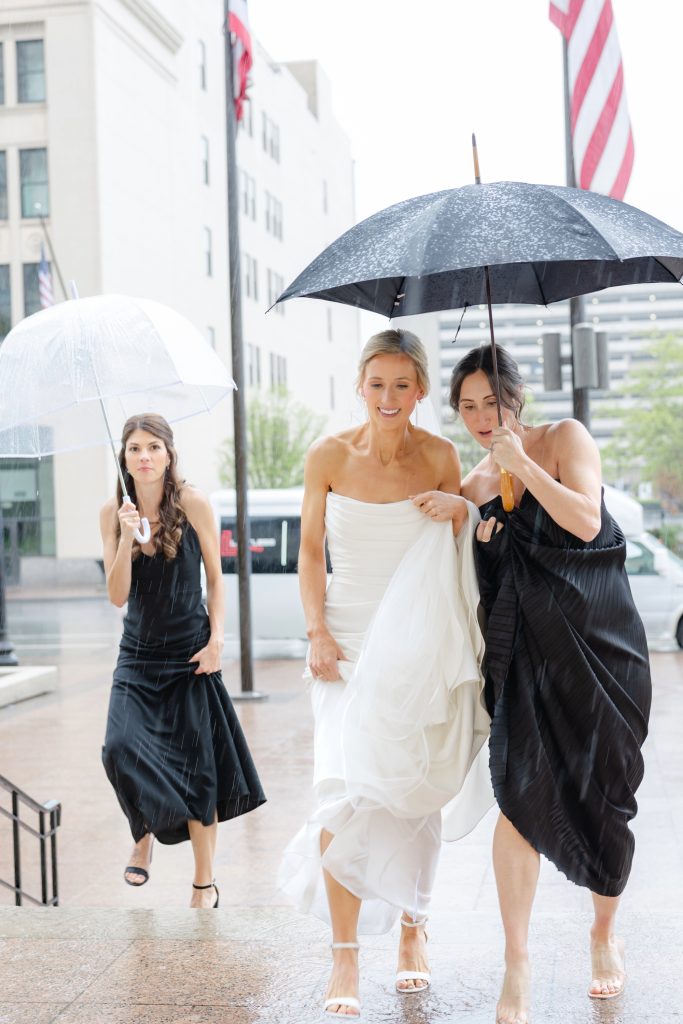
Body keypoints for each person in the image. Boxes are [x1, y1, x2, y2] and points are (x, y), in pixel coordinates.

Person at [279, 329, 493, 1019]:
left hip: (416, 646)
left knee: (410, 792)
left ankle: (412, 929)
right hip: (342, 642)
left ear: (422, 390)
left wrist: (461, 508)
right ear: (359, 387)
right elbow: (310, 553)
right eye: (377, 384)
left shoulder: (439, 454)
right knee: (340, 791)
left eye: (403, 384)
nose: (389, 397)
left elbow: (461, 552)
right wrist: (315, 631)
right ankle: (343, 955)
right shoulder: (326, 455)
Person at [451, 345, 652, 1024]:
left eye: (492, 402)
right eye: (467, 406)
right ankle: (516, 961)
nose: (482, 417)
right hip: (528, 658)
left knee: (607, 791)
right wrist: (470, 529)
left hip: (601, 644)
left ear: (517, 397)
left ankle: (601, 934)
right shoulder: (474, 483)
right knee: (516, 792)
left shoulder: (563, 438)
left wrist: (524, 466)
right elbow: (492, 582)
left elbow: (587, 522)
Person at [100, 413, 265, 907]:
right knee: (118, 748)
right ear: (124, 457)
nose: (144, 456)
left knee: (200, 776)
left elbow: (216, 578)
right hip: (138, 657)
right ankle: (144, 831)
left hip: (190, 654)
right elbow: (116, 597)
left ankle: (203, 884)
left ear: (169, 454)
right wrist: (128, 537)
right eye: (134, 448)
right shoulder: (112, 511)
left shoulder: (192, 502)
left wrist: (218, 641)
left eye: (153, 447)